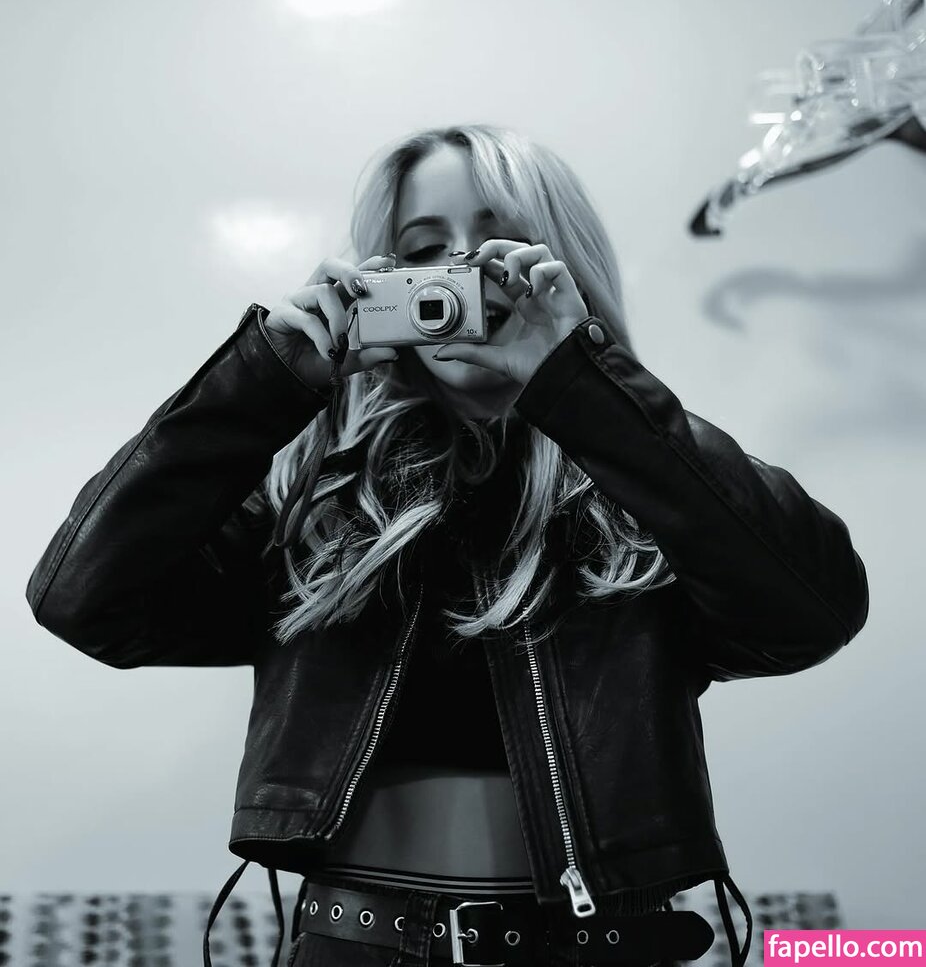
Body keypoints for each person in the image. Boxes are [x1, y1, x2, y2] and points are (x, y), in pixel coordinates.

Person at [25, 125, 869, 967]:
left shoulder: (650, 486)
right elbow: (84, 600)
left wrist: (586, 385)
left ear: (564, 264)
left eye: (502, 241)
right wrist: (264, 379)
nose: (463, 269)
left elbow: (813, 612)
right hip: (354, 948)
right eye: (426, 248)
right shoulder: (318, 495)